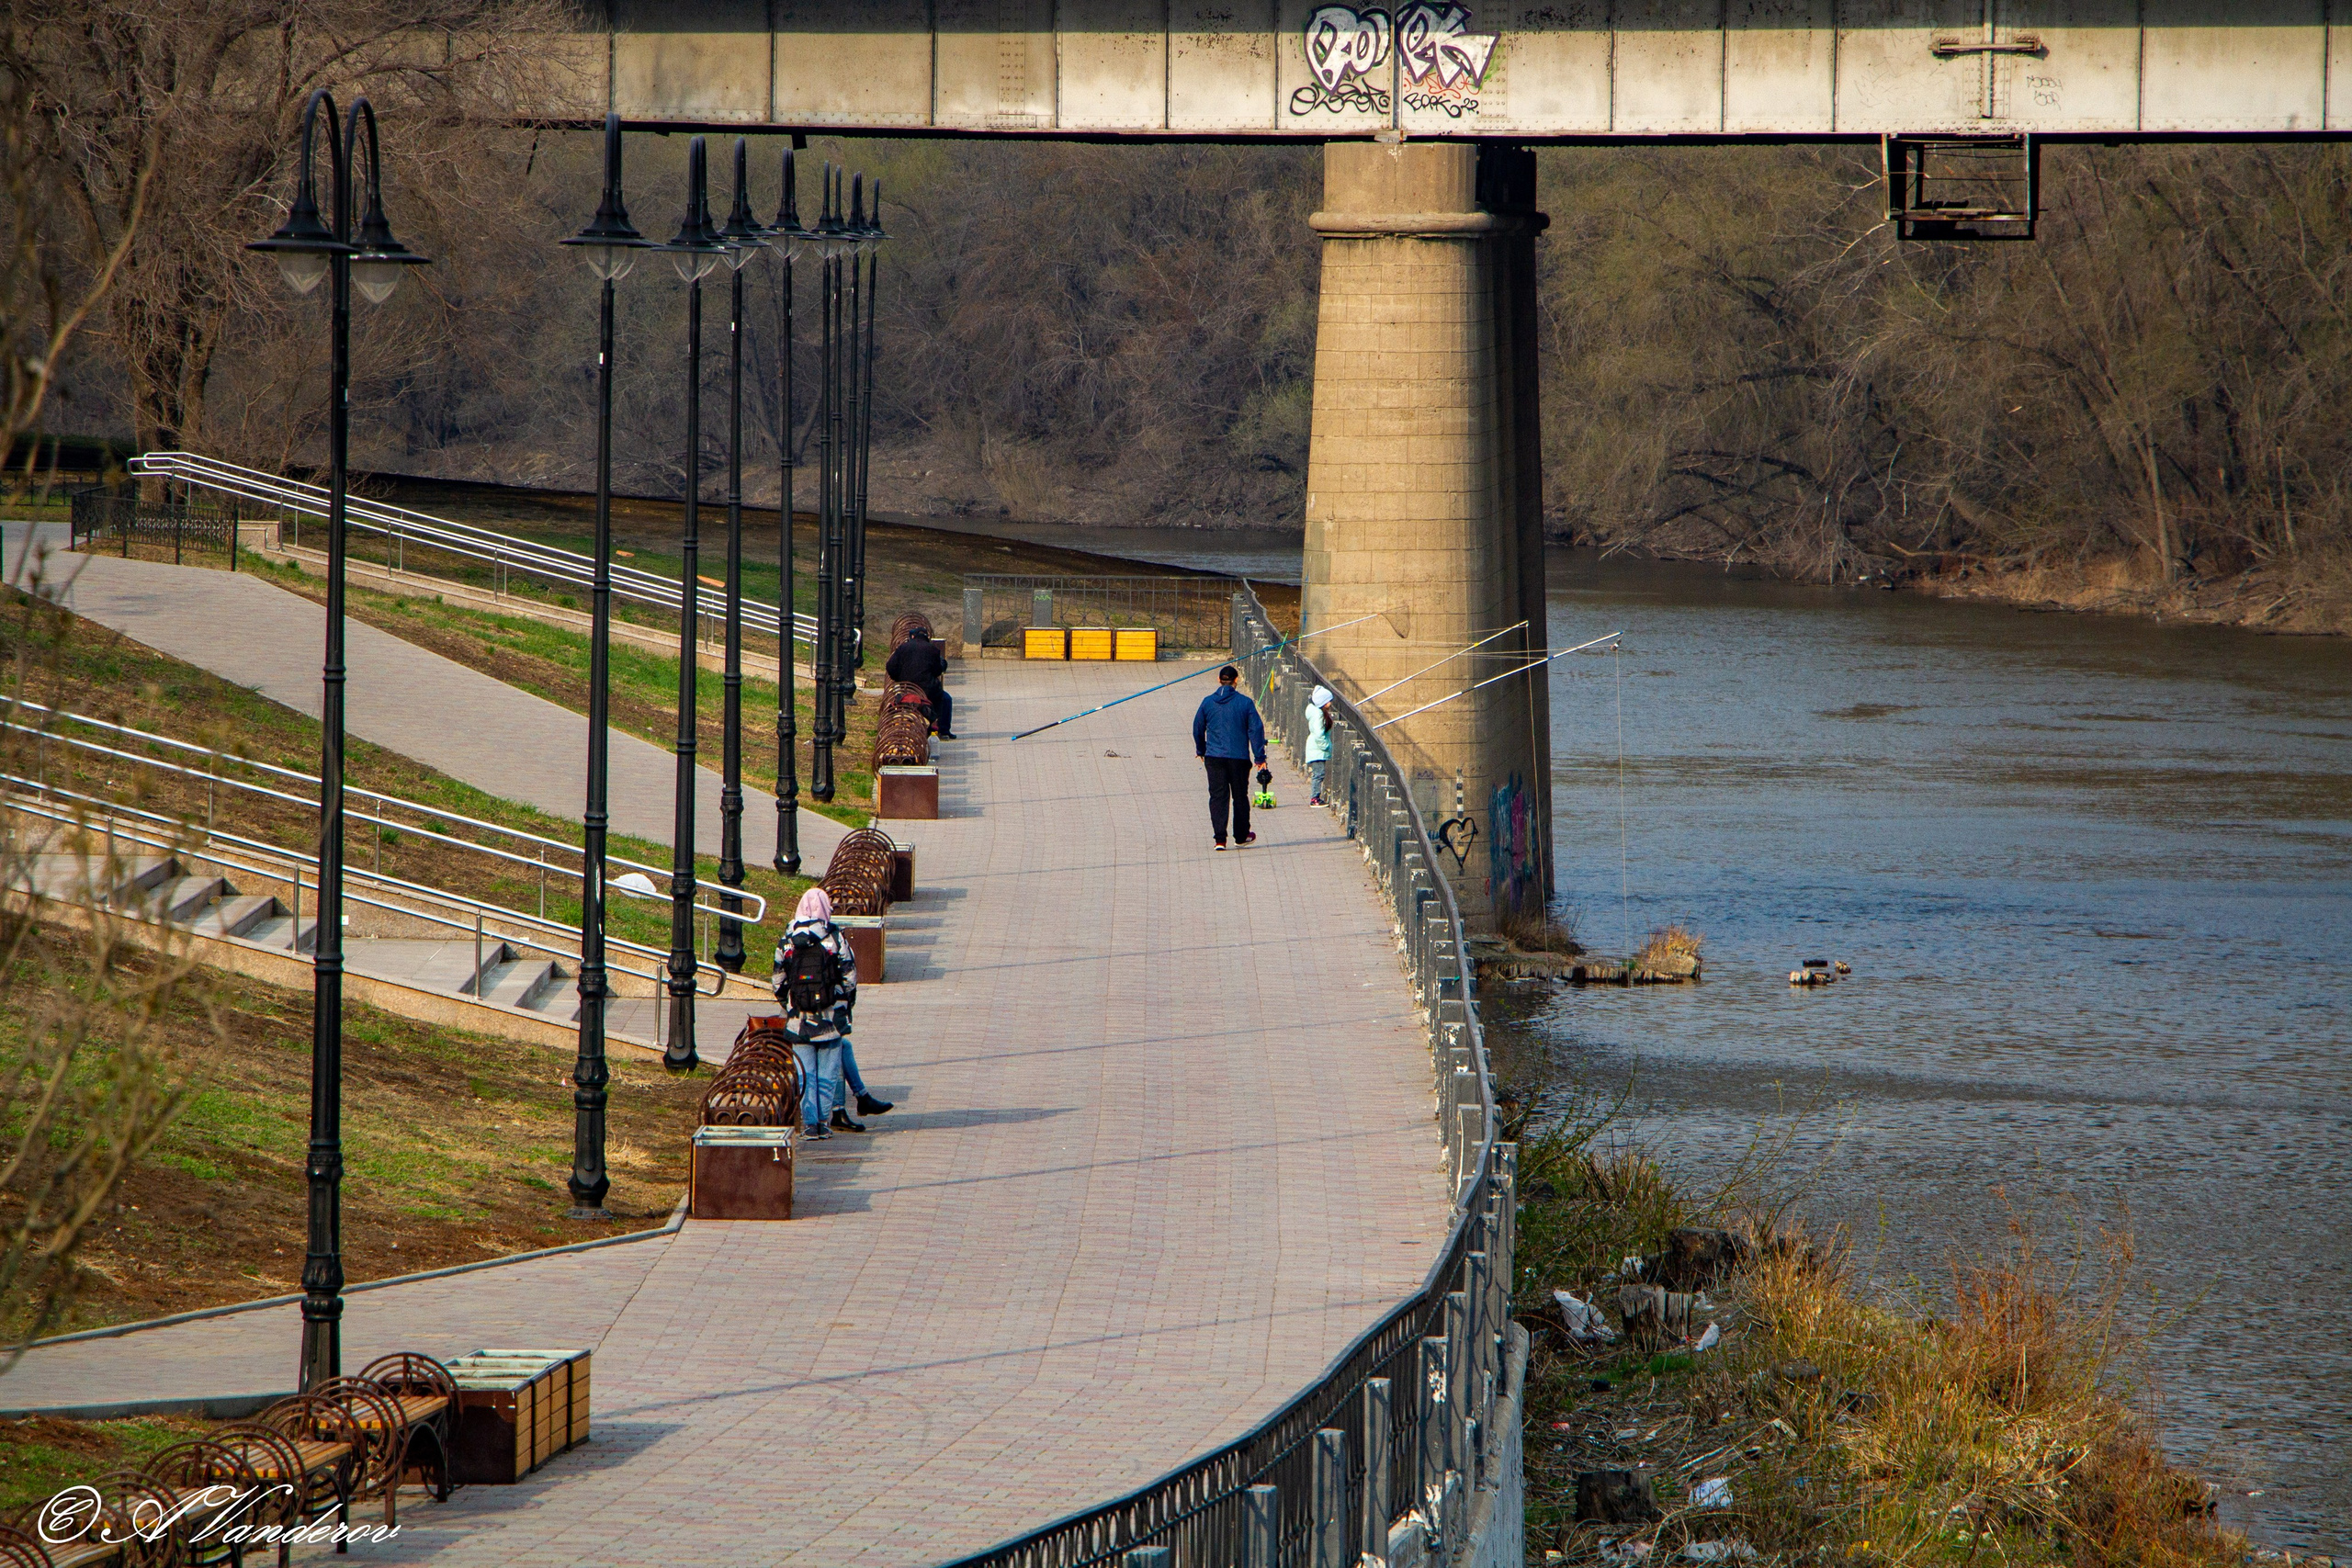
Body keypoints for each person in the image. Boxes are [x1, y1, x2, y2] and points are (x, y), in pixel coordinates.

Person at [774, 886, 856, 1140]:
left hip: (799, 1020)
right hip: (831, 1019)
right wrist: (843, 1003)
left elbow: (778, 979)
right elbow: (850, 976)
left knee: (805, 1074)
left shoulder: (787, 939)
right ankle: (823, 1122)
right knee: (828, 1075)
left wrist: (789, 1004)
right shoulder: (834, 937)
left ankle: (809, 1125)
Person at [1193, 664, 1267, 851]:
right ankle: (1241, 836)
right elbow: (1256, 730)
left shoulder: (1207, 702)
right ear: (1236, 681)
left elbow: (1197, 728)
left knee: (1218, 797)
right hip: (1239, 758)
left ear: (1219, 680)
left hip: (1214, 757)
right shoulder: (1245, 703)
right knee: (1240, 797)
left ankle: (1219, 840)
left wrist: (1201, 750)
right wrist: (1260, 758)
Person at [885, 626, 956, 739]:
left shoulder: (903, 647)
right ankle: (943, 730)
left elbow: (890, 666)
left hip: (906, 689)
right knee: (946, 699)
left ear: (913, 636)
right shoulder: (933, 649)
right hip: (928, 691)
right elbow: (937, 671)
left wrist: (899, 679)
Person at [1305, 684, 1334, 805]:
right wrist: (1326, 746)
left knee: (1319, 773)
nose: (1331, 703)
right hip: (1317, 750)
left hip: (1316, 749)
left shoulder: (1316, 713)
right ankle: (1314, 798)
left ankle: (1316, 797)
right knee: (1318, 774)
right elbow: (1319, 734)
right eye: (1329, 701)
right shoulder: (1318, 715)